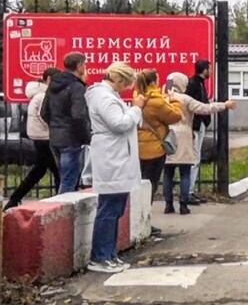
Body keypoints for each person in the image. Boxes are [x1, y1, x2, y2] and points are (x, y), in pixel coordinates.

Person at [84, 62, 145, 273]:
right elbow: (118, 124)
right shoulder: (103, 97)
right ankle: (100, 256)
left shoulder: (108, 96)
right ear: (118, 79)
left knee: (116, 207)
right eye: (126, 83)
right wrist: (136, 108)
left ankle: (109, 254)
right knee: (109, 209)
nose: (127, 88)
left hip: (117, 157)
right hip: (112, 158)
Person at [164, 73, 235, 215]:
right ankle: (183, 205)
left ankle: (168, 204)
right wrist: (224, 105)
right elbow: (205, 108)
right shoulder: (185, 99)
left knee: (167, 173)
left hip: (167, 136)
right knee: (184, 172)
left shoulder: (163, 98)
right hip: (184, 137)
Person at [4, 68, 61, 210]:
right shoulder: (43, 96)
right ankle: (61, 202)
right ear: (48, 80)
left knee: (40, 170)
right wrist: (56, 128)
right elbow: (44, 115)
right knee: (57, 170)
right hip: (45, 137)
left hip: (39, 137)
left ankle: (14, 199)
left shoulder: (39, 94)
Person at [41, 52, 91, 194]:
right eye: (84, 65)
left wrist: (55, 126)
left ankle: (59, 210)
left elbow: (43, 112)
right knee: (69, 182)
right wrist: (86, 137)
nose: (85, 68)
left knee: (64, 178)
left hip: (55, 138)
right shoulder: (76, 87)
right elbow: (78, 115)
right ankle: (61, 214)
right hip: (71, 139)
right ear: (79, 66)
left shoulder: (54, 84)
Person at [135, 70, 183, 205]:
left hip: (140, 146)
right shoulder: (156, 102)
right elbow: (176, 116)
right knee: (151, 185)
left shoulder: (138, 97)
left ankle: (139, 216)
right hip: (155, 148)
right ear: (152, 82)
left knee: (141, 183)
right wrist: (173, 99)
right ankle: (145, 219)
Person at [185, 60, 212, 205]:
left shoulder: (199, 83)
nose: (211, 72)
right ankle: (188, 192)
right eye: (209, 69)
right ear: (204, 70)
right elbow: (195, 106)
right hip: (195, 126)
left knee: (196, 158)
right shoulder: (194, 84)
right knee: (194, 159)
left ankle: (190, 190)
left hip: (199, 124)